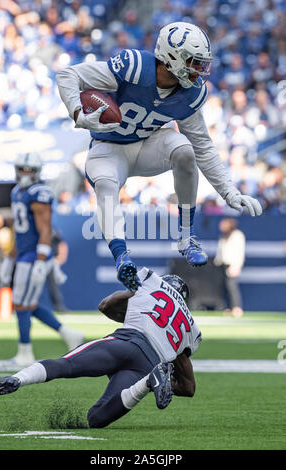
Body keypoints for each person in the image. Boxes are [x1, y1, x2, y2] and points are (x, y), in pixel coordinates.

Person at [56, 21, 262, 292]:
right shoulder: (134, 68)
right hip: (108, 147)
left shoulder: (189, 94)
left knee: (185, 151)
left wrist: (229, 193)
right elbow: (67, 75)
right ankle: (122, 258)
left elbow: (203, 146)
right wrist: (77, 113)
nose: (199, 70)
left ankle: (187, 238)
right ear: (173, 57)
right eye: (193, 62)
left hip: (147, 146)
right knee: (106, 185)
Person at [0, 267, 201, 429]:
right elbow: (189, 388)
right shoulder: (189, 326)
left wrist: (133, 294)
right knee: (96, 418)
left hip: (125, 342)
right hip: (147, 364)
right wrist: (163, 382)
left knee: (66, 365)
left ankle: (17, 380)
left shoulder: (151, 285)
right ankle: (148, 382)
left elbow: (105, 306)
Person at [0, 153, 85, 367]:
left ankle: (25, 352)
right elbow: (20, 231)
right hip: (24, 253)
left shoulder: (39, 193)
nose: (24, 173)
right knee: (29, 304)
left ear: (36, 172)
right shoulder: (17, 191)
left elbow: (45, 228)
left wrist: (41, 259)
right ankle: (69, 334)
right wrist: (10, 258)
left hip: (35, 255)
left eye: (28, 170)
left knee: (20, 303)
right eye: (22, 169)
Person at [213, 218, 246, 317]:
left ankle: (237, 308)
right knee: (224, 288)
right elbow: (220, 251)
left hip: (232, 265)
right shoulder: (224, 236)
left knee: (232, 287)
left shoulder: (237, 235)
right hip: (222, 265)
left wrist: (236, 266)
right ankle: (228, 307)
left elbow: (240, 252)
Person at [47, 227, 69, 312]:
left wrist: (61, 257)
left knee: (53, 285)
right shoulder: (35, 227)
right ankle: (26, 305)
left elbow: (62, 244)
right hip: (38, 260)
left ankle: (59, 306)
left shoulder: (53, 230)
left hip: (51, 260)